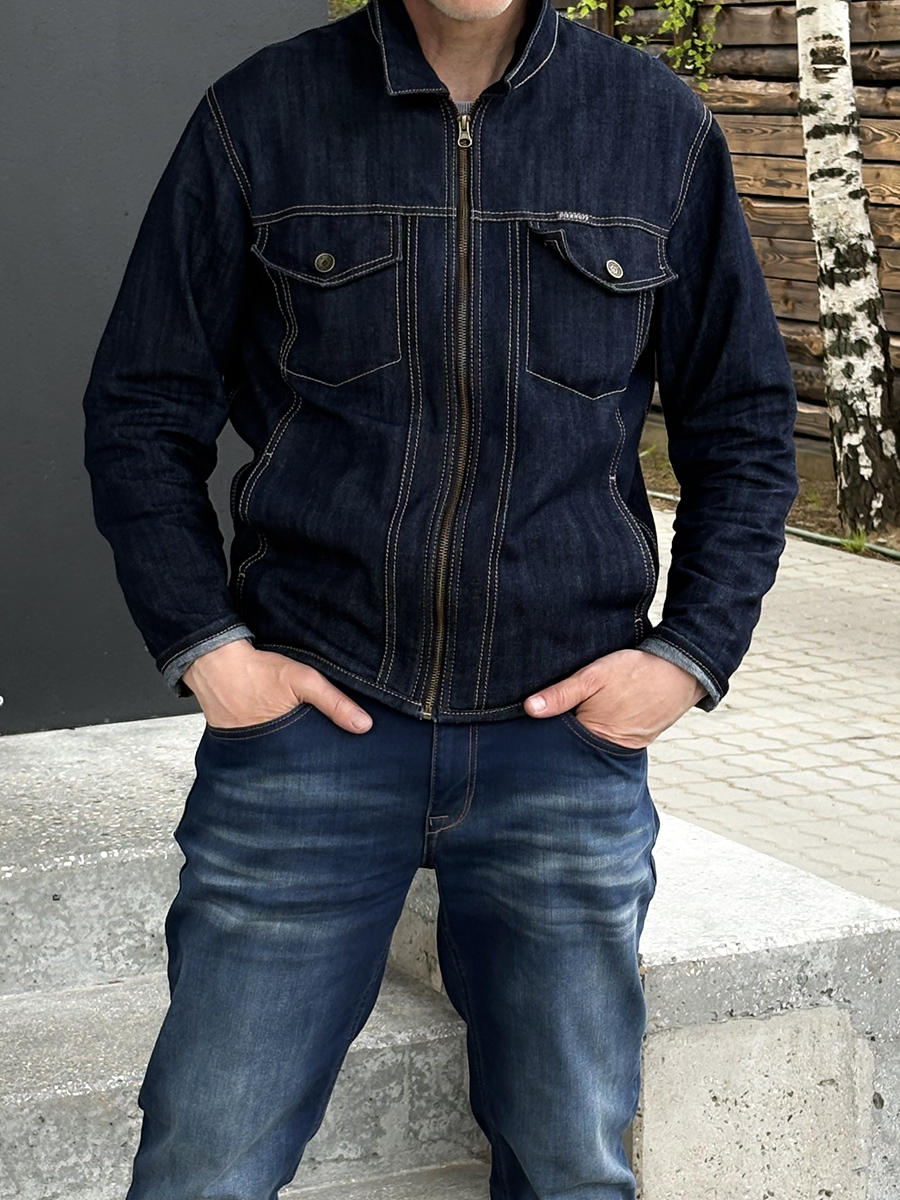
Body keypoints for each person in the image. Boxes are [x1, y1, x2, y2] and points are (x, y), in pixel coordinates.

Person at [82, 0, 798, 1193]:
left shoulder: (655, 124)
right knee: (203, 1165)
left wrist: (688, 657)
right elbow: (140, 406)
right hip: (311, 736)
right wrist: (210, 648)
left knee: (570, 1168)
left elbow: (747, 423)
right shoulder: (261, 114)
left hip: (561, 748)